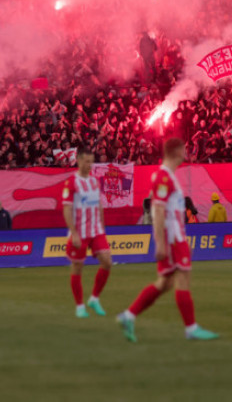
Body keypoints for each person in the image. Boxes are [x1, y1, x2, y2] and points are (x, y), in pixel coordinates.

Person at [116, 138, 218, 342]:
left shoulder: (169, 176)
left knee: (165, 283)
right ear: (178, 151)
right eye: (185, 149)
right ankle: (191, 328)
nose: (186, 152)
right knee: (182, 278)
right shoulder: (163, 177)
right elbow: (158, 210)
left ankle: (128, 316)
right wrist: (161, 243)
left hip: (176, 237)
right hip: (172, 239)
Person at [62, 146, 112, 318]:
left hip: (96, 230)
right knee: (77, 267)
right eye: (87, 161)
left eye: (92, 162)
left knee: (107, 262)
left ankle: (94, 299)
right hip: (80, 232)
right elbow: (67, 209)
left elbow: (99, 205)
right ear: (79, 160)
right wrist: (73, 232)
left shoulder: (94, 181)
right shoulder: (71, 183)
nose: (90, 165)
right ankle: (79, 306)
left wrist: (103, 229)